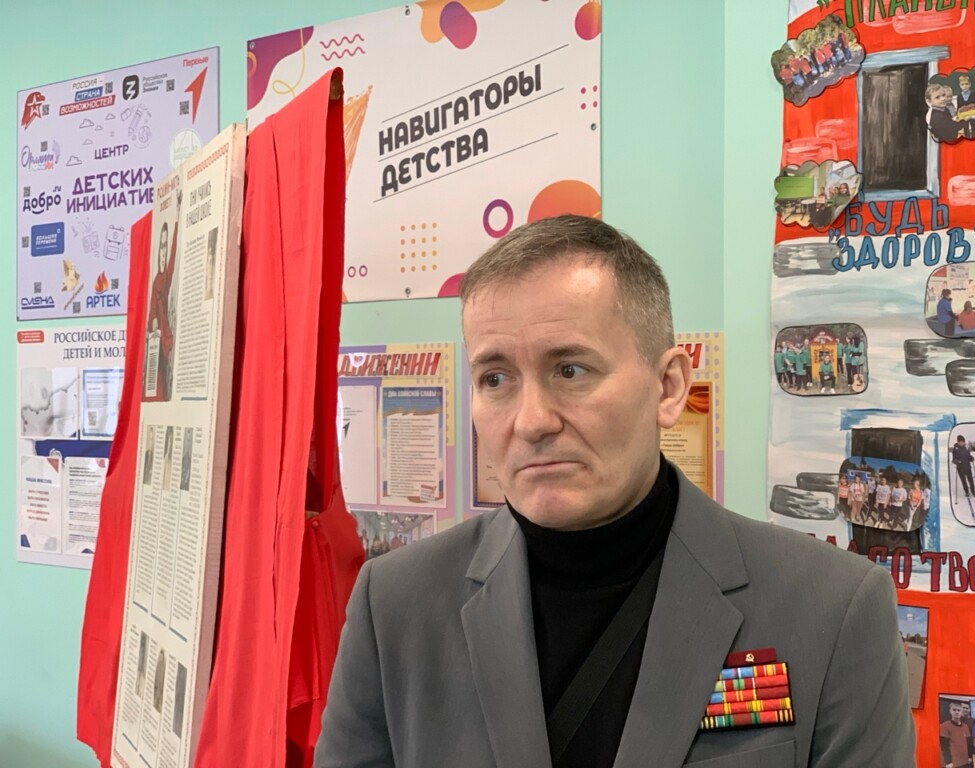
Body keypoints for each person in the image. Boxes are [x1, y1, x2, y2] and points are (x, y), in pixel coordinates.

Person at [315, 215, 915, 767]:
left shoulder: (831, 609)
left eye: (570, 370)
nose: (532, 421)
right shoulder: (395, 607)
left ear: (668, 387)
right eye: (495, 378)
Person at [146, 191, 182, 402]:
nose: (162, 252)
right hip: (153, 343)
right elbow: (151, 313)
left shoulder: (165, 277)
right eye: (160, 246)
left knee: (162, 393)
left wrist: (177, 215)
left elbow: (175, 251)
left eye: (164, 246)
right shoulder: (155, 280)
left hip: (163, 342)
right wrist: (152, 325)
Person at [940, 700, 973, 768]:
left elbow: (969, 744)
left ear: (961, 712)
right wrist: (948, 762)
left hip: (965, 761)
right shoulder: (944, 726)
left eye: (958, 710)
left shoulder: (965, 727)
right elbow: (944, 746)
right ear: (950, 711)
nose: (956, 712)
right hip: (953, 763)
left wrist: (970, 756)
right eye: (954, 710)